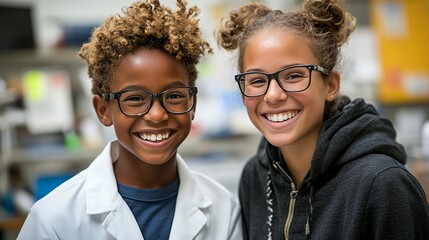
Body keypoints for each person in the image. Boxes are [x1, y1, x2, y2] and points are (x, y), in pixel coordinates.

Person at [17, 0, 242, 239]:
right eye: (135, 98)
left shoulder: (225, 210)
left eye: (174, 95)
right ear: (103, 110)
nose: (157, 114)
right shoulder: (53, 219)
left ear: (192, 104)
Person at [215, 0, 429, 239]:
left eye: (294, 75)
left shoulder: (384, 184)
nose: (273, 95)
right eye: (256, 80)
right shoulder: (254, 176)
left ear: (330, 85)